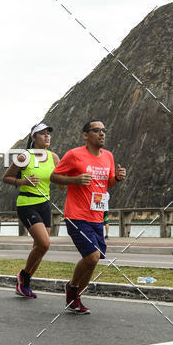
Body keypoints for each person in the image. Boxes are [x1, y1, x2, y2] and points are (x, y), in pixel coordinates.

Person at [51, 121, 126, 315]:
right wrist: (74, 180)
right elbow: (54, 177)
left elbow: (105, 184)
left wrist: (117, 178)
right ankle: (72, 287)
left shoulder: (108, 156)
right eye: (96, 130)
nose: (101, 134)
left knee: (94, 259)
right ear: (86, 135)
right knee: (92, 256)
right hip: (76, 215)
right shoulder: (74, 155)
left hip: (97, 215)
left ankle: (76, 297)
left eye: (104, 130)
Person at [3, 122, 59, 298]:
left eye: (48, 133)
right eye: (42, 134)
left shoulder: (54, 158)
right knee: (44, 243)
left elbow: (59, 181)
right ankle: (24, 276)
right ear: (33, 138)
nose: (47, 136)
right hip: (27, 204)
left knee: (40, 247)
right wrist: (23, 182)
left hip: (45, 205)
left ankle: (25, 283)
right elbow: (6, 178)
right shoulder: (24, 157)